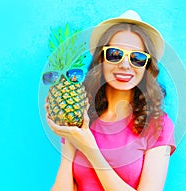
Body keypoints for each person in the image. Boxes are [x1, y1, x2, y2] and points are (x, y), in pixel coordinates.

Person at [46, 10, 176, 191]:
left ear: (146, 66)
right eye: (115, 54)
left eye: (137, 58)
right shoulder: (81, 114)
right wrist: (69, 140)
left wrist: (91, 150)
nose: (124, 65)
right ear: (101, 59)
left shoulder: (158, 125)